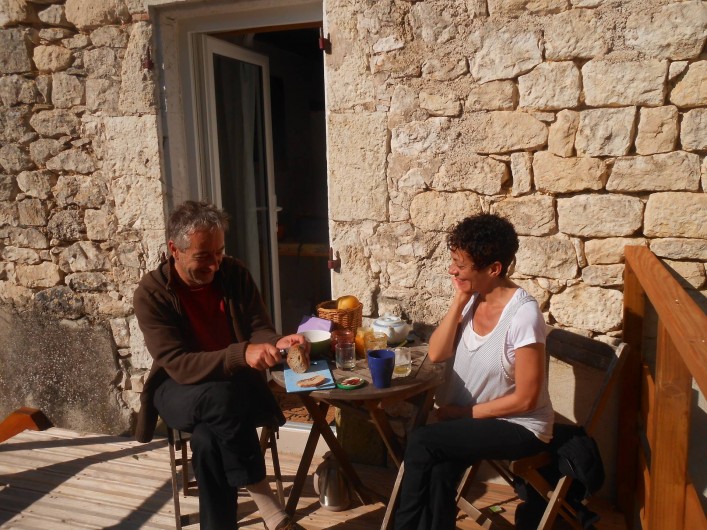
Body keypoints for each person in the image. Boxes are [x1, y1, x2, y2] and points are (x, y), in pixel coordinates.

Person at [133, 200, 308, 530]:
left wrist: (276, 343)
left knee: (207, 441)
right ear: (174, 249)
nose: (215, 265)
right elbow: (178, 364)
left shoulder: (234, 274)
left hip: (232, 392)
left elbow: (258, 327)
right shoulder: (151, 293)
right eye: (203, 256)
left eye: (219, 252)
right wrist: (242, 354)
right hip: (177, 389)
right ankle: (271, 511)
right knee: (219, 398)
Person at [394, 213, 553, 530]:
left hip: (520, 426)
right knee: (439, 469)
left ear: (494, 269)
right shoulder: (472, 298)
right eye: (454, 261)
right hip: (476, 419)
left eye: (460, 265)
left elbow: (526, 399)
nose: (452, 270)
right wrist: (459, 300)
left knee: (423, 441)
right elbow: (437, 353)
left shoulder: (523, 316)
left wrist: (460, 413)